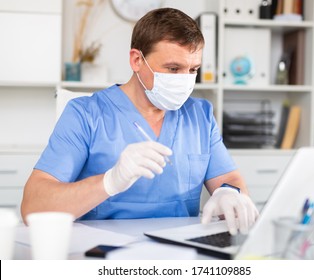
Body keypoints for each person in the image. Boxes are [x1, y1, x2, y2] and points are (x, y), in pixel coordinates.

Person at [21, 7, 258, 235]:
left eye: (193, 69)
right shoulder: (85, 114)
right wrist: (109, 182)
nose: (185, 80)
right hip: (102, 255)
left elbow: (229, 179)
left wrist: (229, 194)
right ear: (136, 60)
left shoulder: (199, 115)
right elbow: (33, 206)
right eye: (173, 68)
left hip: (181, 253)